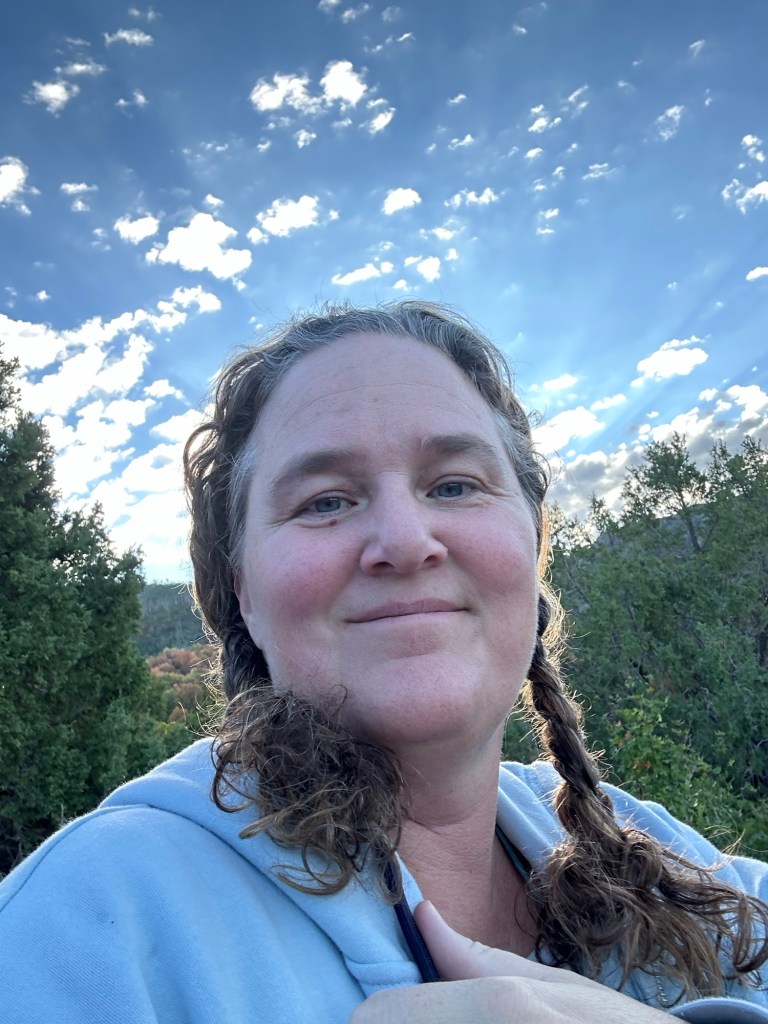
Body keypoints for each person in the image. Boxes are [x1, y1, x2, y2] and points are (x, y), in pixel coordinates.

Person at [0, 300, 766, 1024]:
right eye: (325, 501)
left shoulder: (649, 842)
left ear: (533, 551)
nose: (404, 541)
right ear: (244, 593)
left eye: (455, 485)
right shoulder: (85, 923)